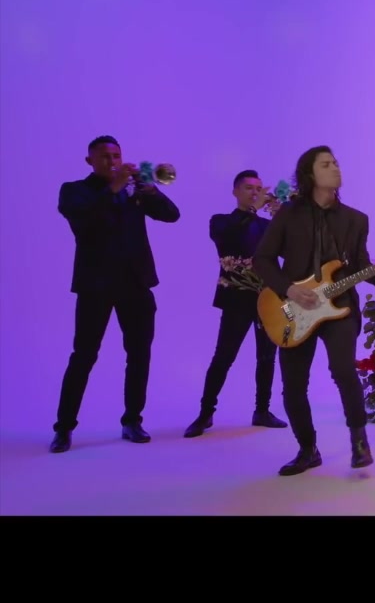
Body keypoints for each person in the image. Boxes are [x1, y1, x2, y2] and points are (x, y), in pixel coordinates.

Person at [252, 146, 375, 476]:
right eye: (326, 164)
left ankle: (359, 442)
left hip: (340, 307)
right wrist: (289, 289)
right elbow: (262, 259)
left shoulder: (356, 219)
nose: (335, 168)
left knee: (344, 370)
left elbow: (360, 266)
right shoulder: (288, 214)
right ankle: (308, 450)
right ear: (310, 174)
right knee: (293, 386)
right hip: (293, 308)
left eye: (336, 162)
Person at [50, 135, 181, 453]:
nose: (113, 162)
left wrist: (150, 190)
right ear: (90, 161)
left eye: (117, 156)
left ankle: (132, 421)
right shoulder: (74, 191)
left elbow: (171, 215)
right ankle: (64, 428)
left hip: (135, 284)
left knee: (139, 354)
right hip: (95, 286)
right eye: (105, 157)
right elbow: (84, 222)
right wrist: (114, 188)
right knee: (83, 356)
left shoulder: (134, 191)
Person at [183, 170, 288, 438]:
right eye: (249, 188)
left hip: (268, 299)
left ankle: (262, 411)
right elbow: (230, 237)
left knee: (267, 357)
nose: (255, 193)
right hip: (237, 298)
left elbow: (291, 251)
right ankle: (205, 413)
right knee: (224, 357)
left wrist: (286, 218)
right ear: (235, 192)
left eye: (259, 189)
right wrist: (253, 210)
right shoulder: (220, 221)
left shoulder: (268, 226)